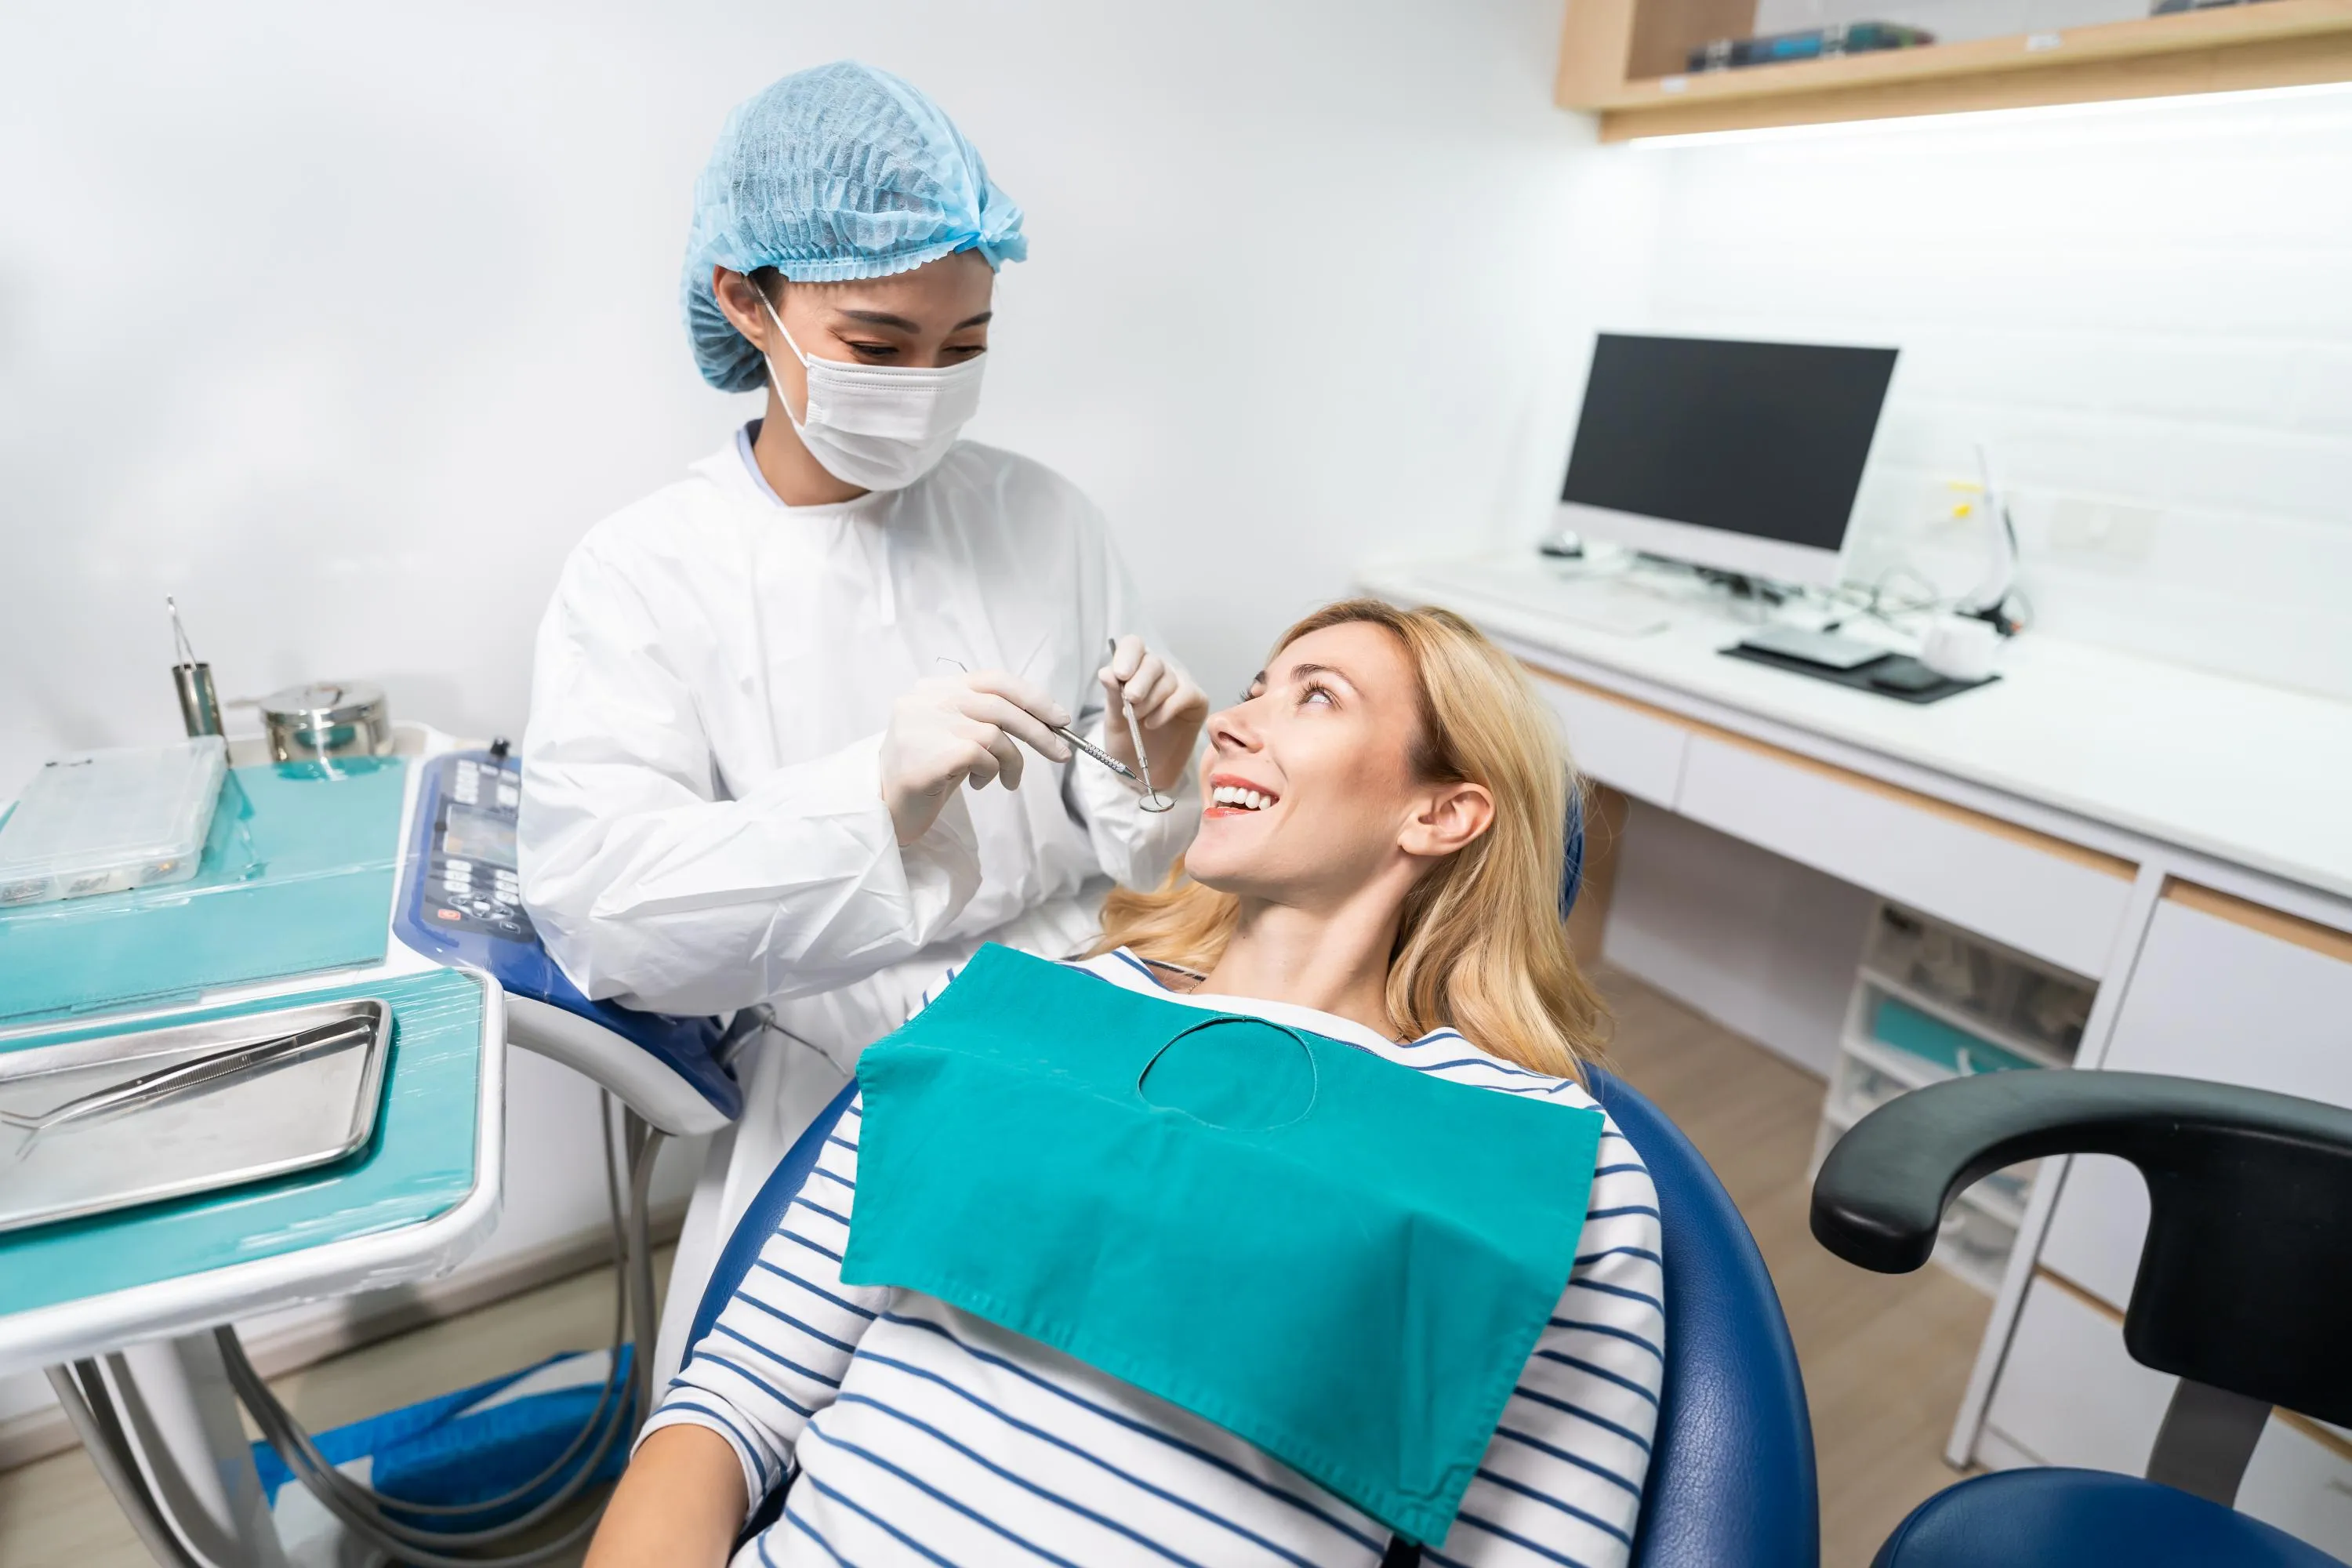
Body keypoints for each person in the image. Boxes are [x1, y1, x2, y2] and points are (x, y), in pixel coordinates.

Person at [585, 601, 1661, 1568]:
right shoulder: (1023, 1017)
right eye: (1253, 689)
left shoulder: (1532, 1155)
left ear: (1440, 815)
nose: (1232, 724)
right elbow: (732, 1405)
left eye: (1315, 696)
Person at [517, 60, 1207, 1385]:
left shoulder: (1044, 516)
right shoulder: (647, 569)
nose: (928, 387)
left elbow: (1127, 845)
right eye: (880, 348)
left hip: (1090, 1004)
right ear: (747, 300)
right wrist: (865, 807)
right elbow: (609, 919)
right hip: (842, 1060)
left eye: (966, 348)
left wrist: (1147, 783)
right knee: (801, 1419)